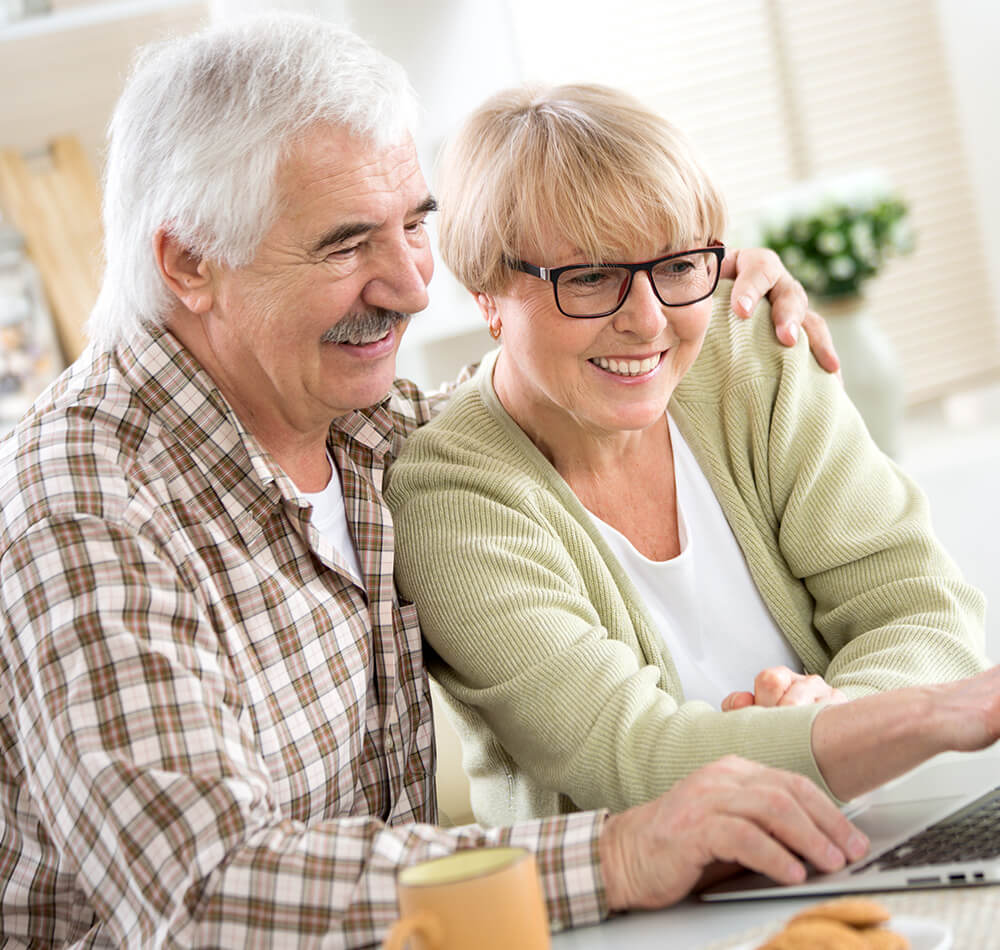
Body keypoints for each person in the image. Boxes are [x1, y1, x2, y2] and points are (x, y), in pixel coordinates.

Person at [0, 14, 872, 949]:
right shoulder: (83, 505)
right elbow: (204, 892)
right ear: (190, 262)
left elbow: (535, 380)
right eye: (344, 246)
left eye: (413, 224)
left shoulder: (370, 431)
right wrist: (617, 854)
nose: (413, 286)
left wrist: (689, 292)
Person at [385, 82, 996, 830]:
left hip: (862, 835)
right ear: (486, 294)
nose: (646, 322)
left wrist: (845, 714)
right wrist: (852, 735)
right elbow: (632, 760)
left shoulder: (751, 357)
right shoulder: (449, 500)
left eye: (676, 266)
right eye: (591, 278)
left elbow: (922, 610)